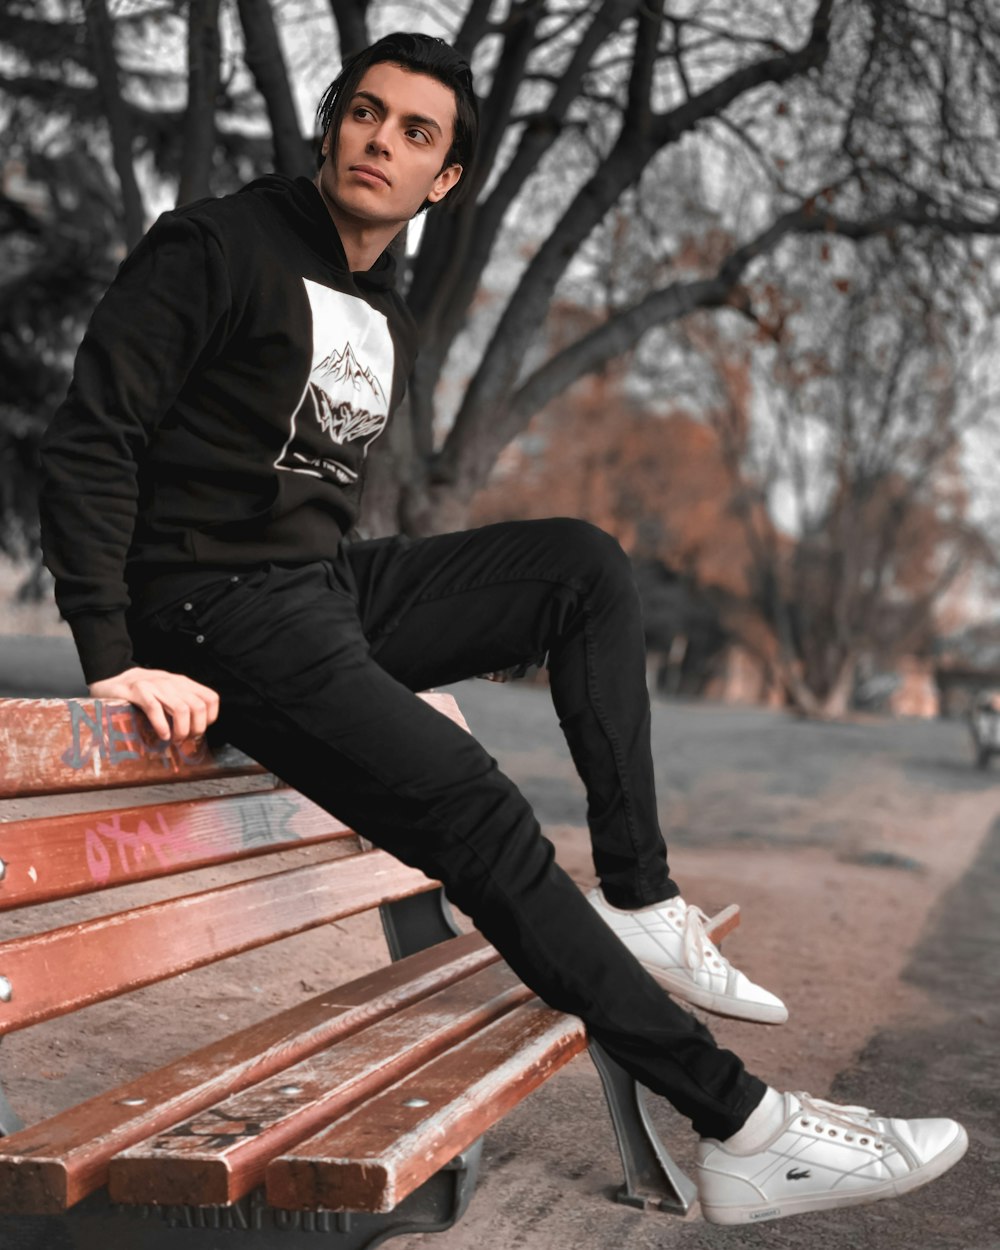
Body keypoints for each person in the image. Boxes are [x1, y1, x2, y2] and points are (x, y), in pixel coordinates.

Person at [38, 30, 967, 1226]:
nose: (381, 140)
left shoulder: (387, 307)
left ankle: (641, 898)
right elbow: (93, 434)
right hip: (211, 609)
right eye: (366, 114)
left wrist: (359, 633)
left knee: (581, 565)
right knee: (475, 802)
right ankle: (741, 1123)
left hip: (313, 584)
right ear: (333, 126)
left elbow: (304, 495)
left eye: (416, 132)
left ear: (447, 179)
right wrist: (114, 654)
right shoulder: (216, 244)